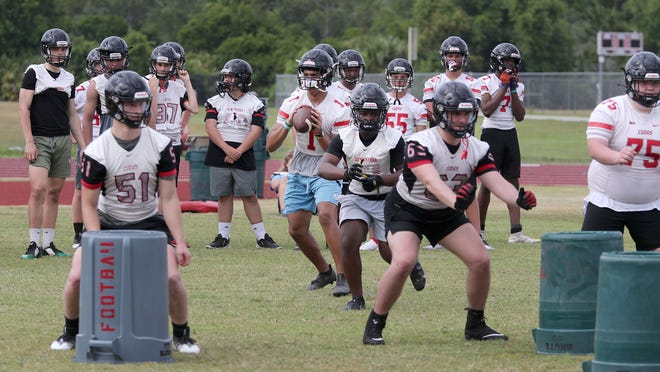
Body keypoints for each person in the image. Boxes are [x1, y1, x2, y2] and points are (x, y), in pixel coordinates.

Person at [362, 81, 537, 345]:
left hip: (445, 212)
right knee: (404, 261)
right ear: (442, 113)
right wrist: (456, 201)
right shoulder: (420, 142)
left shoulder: (477, 147)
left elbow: (495, 180)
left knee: (480, 260)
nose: (461, 119)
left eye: (466, 113)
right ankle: (375, 322)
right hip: (408, 209)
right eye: (456, 113)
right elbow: (431, 181)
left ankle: (475, 324)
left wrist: (517, 199)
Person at [50, 70, 200, 354]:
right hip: (107, 221)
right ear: (116, 105)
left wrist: (179, 240)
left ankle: (182, 334)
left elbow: (168, 198)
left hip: (148, 220)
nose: (139, 110)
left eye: (142, 104)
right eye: (132, 104)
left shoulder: (161, 145)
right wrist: (94, 242)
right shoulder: (97, 151)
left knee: (171, 277)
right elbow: (89, 205)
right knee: (76, 277)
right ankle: (70, 330)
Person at [318, 83, 426, 311]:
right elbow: (323, 167)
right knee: (348, 241)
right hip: (356, 197)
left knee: (389, 253)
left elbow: (404, 173)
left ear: (383, 113)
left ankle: (411, 264)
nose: (368, 117)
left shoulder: (394, 138)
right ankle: (357, 298)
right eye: (364, 112)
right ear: (355, 112)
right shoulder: (345, 136)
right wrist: (345, 173)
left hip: (388, 199)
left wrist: (380, 180)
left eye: (374, 112)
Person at [266, 48, 351, 296]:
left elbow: (342, 150)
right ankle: (325, 271)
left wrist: (318, 132)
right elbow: (271, 145)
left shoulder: (340, 102)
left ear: (326, 75)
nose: (310, 80)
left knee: (326, 215)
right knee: (296, 229)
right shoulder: (294, 100)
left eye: (315, 74)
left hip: (329, 163)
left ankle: (344, 276)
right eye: (306, 73)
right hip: (301, 164)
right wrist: (288, 123)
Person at [581, 51, 660, 251]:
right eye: (644, 83)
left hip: (651, 204)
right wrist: (616, 156)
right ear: (630, 82)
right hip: (608, 202)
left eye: (655, 83)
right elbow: (595, 147)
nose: (650, 89)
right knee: (594, 262)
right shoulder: (610, 109)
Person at [19, 28, 86, 259]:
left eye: (63, 48)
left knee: (55, 194)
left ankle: (48, 244)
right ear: (46, 50)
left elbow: (71, 115)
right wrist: (28, 141)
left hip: (62, 140)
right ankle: (32, 243)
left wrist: (83, 145)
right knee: (38, 189)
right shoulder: (34, 72)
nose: (59, 52)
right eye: (55, 48)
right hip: (39, 139)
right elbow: (23, 108)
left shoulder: (69, 78)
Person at [203, 58, 280, 249]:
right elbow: (210, 126)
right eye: (226, 76)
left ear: (242, 79)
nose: (226, 80)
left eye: (231, 76)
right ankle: (223, 236)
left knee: (249, 196)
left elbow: (256, 130)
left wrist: (238, 151)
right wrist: (226, 148)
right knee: (224, 195)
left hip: (243, 150)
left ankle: (262, 237)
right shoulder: (215, 101)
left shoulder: (254, 103)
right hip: (220, 150)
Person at [422, 36, 489, 250]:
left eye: (457, 55)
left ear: (464, 58)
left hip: (465, 141)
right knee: (438, 187)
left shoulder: (473, 83)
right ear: (444, 58)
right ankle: (438, 235)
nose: (454, 59)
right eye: (450, 55)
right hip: (438, 141)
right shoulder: (432, 82)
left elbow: (473, 111)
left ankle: (477, 235)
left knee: (469, 186)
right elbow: (430, 110)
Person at [359, 57, 427, 252]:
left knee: (411, 194)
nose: (399, 80)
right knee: (374, 191)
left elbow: (421, 135)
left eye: (403, 76)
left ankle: (414, 232)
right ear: (389, 77)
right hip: (381, 149)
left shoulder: (416, 105)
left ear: (409, 78)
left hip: (405, 152)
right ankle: (375, 237)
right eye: (395, 76)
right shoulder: (379, 100)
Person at [476, 42, 539, 244]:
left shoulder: (518, 85)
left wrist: (512, 89)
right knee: (487, 184)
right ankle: (480, 232)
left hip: (510, 133)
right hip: (491, 132)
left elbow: (520, 116)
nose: (510, 64)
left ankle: (516, 232)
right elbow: (487, 109)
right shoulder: (484, 81)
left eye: (513, 61)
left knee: (513, 181)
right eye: (506, 60)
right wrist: (502, 86)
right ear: (497, 61)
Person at [147, 44, 198, 183]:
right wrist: (153, 91)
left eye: (166, 65)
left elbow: (194, 108)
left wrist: (187, 81)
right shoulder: (144, 83)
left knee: (170, 185)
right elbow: (151, 114)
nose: (162, 68)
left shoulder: (178, 86)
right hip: (153, 138)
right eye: (160, 64)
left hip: (173, 141)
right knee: (151, 184)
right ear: (154, 64)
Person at [71, 47, 103, 249]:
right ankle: (78, 233)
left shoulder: (116, 85)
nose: (102, 67)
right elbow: (67, 113)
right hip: (89, 144)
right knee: (81, 190)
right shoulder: (83, 89)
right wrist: (74, 136)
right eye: (99, 64)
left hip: (109, 144)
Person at [82, 35, 130, 145]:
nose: (114, 64)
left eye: (118, 60)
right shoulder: (96, 84)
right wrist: (88, 148)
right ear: (103, 60)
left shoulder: (135, 80)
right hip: (107, 134)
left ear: (124, 58)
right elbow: (87, 119)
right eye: (110, 60)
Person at [271, 149, 294, 215]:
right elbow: (275, 185)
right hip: (289, 202)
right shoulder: (281, 175)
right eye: (292, 163)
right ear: (287, 164)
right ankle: (284, 210)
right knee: (285, 178)